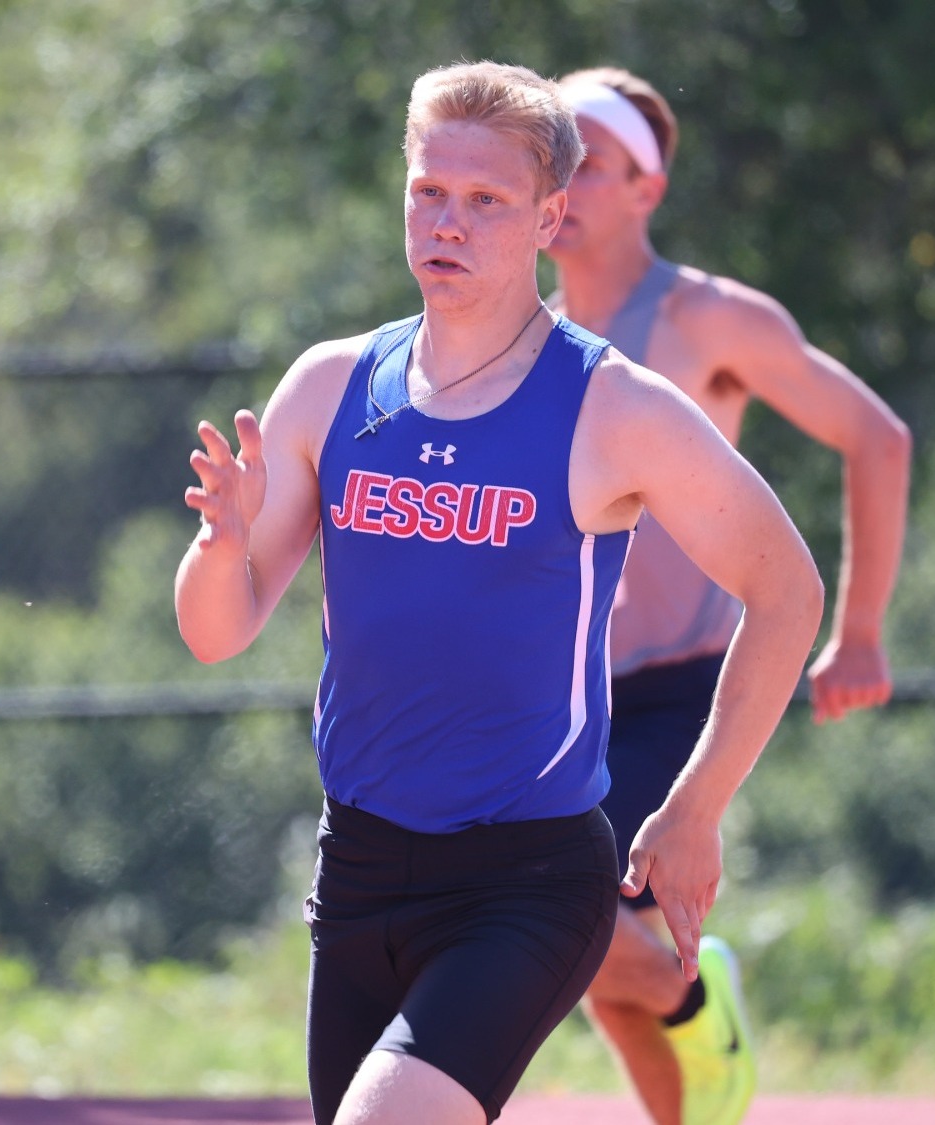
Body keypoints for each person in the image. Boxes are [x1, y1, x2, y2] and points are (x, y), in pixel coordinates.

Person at [174, 61, 823, 1125]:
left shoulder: (610, 406)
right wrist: (220, 542)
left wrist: (696, 807)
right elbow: (214, 633)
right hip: (359, 869)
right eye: (428, 192)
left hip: (523, 880)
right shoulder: (333, 387)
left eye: (485, 202)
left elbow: (787, 590)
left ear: (547, 218)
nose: (448, 222)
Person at [545, 67, 914, 1125]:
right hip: (561, 686)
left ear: (644, 189)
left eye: (587, 161)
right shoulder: (519, 328)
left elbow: (875, 438)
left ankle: (694, 987)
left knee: (558, 915)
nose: (560, 182)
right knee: (607, 987)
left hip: (676, 686)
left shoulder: (705, 318)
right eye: (548, 157)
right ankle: (687, 1011)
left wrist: (858, 632)